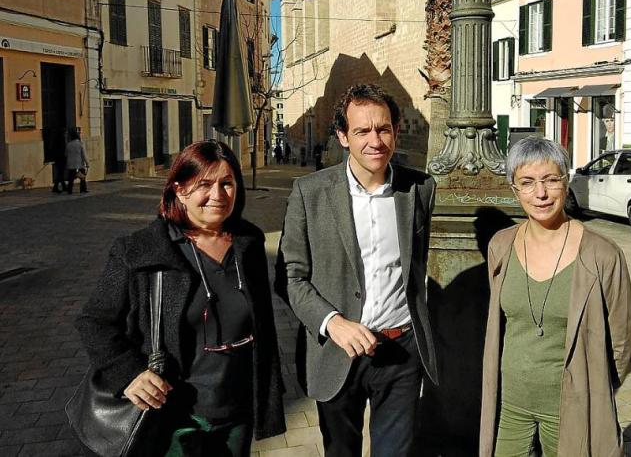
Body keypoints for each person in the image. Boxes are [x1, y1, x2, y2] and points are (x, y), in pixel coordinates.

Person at [75, 140, 285, 455]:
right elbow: (94, 321)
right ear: (180, 190)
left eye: (227, 183)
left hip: (237, 410)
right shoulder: (141, 251)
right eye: (204, 184)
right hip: (174, 418)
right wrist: (128, 373)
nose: (218, 195)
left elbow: (262, 324)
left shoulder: (248, 242)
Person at [278, 84, 438, 456]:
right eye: (362, 131)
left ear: (396, 132)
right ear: (343, 136)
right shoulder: (309, 192)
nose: (375, 141)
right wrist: (332, 322)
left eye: (383, 129)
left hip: (401, 351)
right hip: (337, 353)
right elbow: (290, 276)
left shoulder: (419, 189)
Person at [479, 136, 631, 457]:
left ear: (566, 181)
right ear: (514, 189)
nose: (540, 193)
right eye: (527, 182)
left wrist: (594, 391)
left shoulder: (602, 254)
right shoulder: (500, 246)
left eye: (551, 179)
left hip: (571, 408)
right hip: (510, 404)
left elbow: (623, 343)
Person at [65, 128, 89, 194]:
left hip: (70, 164)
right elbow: (83, 154)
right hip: (79, 163)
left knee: (71, 178)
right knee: (82, 177)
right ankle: (83, 189)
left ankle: (69, 190)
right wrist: (87, 163)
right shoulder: (80, 144)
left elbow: (66, 154)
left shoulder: (68, 144)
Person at [51, 128, 67, 193]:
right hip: (61, 159)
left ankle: (63, 186)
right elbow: (64, 150)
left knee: (60, 173)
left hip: (58, 159)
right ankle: (56, 187)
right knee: (60, 173)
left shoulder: (56, 140)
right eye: (65, 133)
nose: (66, 134)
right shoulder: (62, 140)